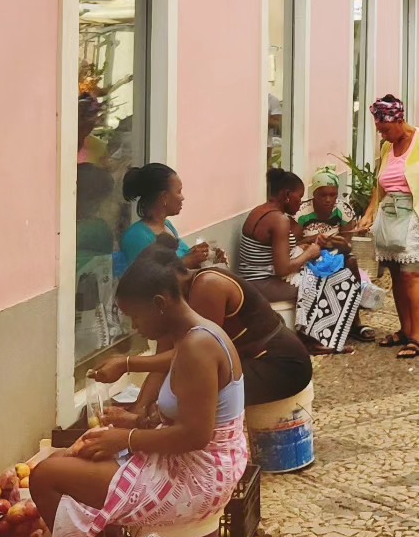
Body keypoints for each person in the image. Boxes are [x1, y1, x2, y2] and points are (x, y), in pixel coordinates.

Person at [32, 254, 249, 537]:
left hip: (199, 478)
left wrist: (127, 438)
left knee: (45, 477)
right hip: (201, 462)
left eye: (136, 317)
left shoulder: (197, 347)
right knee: (71, 458)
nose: (135, 327)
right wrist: (134, 421)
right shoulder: (196, 336)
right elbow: (185, 406)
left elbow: (196, 435)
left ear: (160, 304)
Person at [92, 248, 314, 406]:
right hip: (248, 361)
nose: (135, 324)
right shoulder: (169, 306)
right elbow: (161, 364)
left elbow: (192, 356)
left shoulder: (208, 286)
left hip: (279, 364)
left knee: (190, 388)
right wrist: (139, 410)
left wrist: (127, 364)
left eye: (137, 316)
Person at [353, 96, 419, 359]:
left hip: (414, 213)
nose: (382, 135)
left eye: (385, 129)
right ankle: (405, 330)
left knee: (413, 273)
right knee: (396, 273)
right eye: (379, 130)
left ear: (398, 121)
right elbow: (380, 184)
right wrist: (370, 212)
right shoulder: (388, 146)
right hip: (390, 214)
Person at [235, 169, 324, 303]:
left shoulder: (259, 210)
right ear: (287, 194)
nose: (300, 202)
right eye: (299, 197)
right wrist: (309, 253)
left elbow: (270, 249)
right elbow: (282, 269)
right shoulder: (279, 220)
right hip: (262, 285)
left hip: (249, 281)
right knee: (327, 284)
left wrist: (304, 243)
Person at [118, 164, 212, 272]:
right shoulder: (136, 236)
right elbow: (148, 278)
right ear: (164, 197)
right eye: (179, 191)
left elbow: (179, 257)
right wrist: (186, 262)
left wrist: (202, 255)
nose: (182, 198)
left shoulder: (167, 226)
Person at [296, 167, 352, 234]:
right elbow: (293, 240)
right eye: (323, 195)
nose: (328, 200)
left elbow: (347, 238)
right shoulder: (300, 211)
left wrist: (336, 240)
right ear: (314, 194)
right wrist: (313, 238)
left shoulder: (344, 209)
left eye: (332, 195)